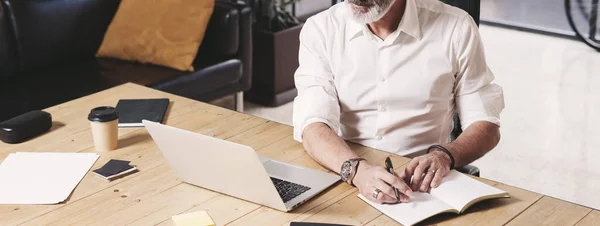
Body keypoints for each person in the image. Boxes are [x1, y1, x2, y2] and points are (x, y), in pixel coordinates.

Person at [292, 0, 505, 205]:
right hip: (344, 173)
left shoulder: (456, 28)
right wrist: (357, 171)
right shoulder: (321, 29)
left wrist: (446, 155)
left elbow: (485, 123)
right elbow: (313, 125)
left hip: (418, 188)